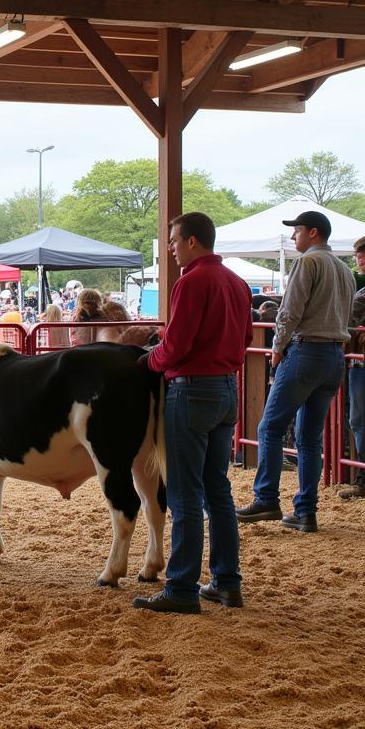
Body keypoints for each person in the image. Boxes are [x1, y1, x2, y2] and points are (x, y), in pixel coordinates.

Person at [132, 212, 252, 615]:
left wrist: (148, 362)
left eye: (174, 240)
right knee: (218, 491)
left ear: (193, 242)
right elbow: (246, 336)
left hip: (191, 391)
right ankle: (226, 582)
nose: (170, 247)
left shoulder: (192, 281)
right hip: (226, 389)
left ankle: (182, 587)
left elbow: (178, 346)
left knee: (184, 493)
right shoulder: (237, 283)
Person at [237, 210, 356, 533]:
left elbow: (290, 311)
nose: (294, 237)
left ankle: (266, 499)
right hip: (334, 357)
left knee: (270, 428)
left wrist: (277, 348)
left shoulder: (307, 264)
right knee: (309, 437)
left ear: (313, 233)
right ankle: (305, 510)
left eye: (298, 231)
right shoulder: (345, 270)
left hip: (305, 352)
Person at [338, 235, 365, 499]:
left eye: (360, 254)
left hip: (361, 362)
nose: (358, 258)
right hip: (358, 360)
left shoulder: (361, 296)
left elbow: (347, 322)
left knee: (359, 419)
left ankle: (362, 479)